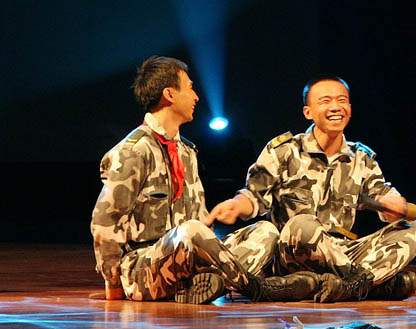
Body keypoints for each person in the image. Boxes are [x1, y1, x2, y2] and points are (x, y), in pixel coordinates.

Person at [90, 56, 319, 304]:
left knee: (266, 231)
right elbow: (106, 220)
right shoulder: (134, 150)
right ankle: (255, 288)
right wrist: (113, 283)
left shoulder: (187, 151)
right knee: (190, 231)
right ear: (169, 94)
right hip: (144, 268)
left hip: (188, 263)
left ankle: (212, 286)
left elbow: (198, 218)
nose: (196, 97)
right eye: (189, 88)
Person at [207, 75, 416, 302]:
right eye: (325, 101)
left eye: (342, 100)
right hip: (292, 252)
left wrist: (395, 206)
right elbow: (254, 194)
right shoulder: (285, 150)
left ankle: (344, 284)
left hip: (342, 252)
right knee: (303, 223)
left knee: (412, 229)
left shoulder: (362, 157)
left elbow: (383, 193)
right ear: (307, 112)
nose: (335, 107)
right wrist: (236, 204)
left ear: (349, 107)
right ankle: (370, 285)